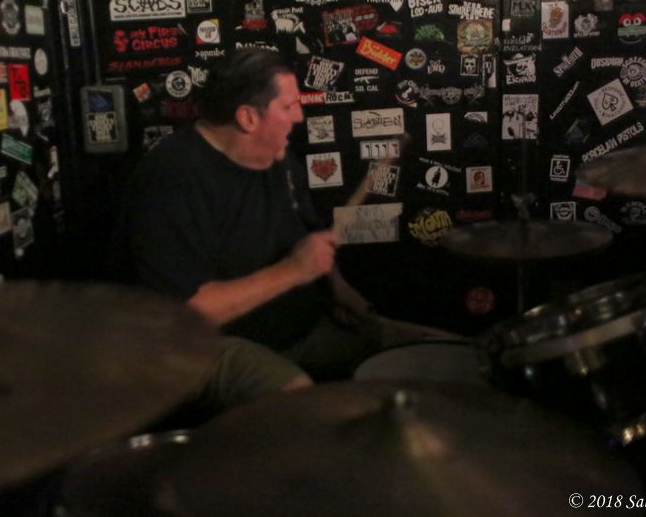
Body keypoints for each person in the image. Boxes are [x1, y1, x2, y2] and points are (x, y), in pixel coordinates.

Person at [116, 49, 441, 412]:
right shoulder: (170, 180)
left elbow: (304, 236)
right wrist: (293, 271)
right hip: (212, 344)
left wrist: (338, 288)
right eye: (288, 107)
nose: (299, 116)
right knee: (299, 400)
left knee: (428, 351)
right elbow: (185, 314)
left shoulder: (278, 158)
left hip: (301, 326)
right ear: (248, 117)